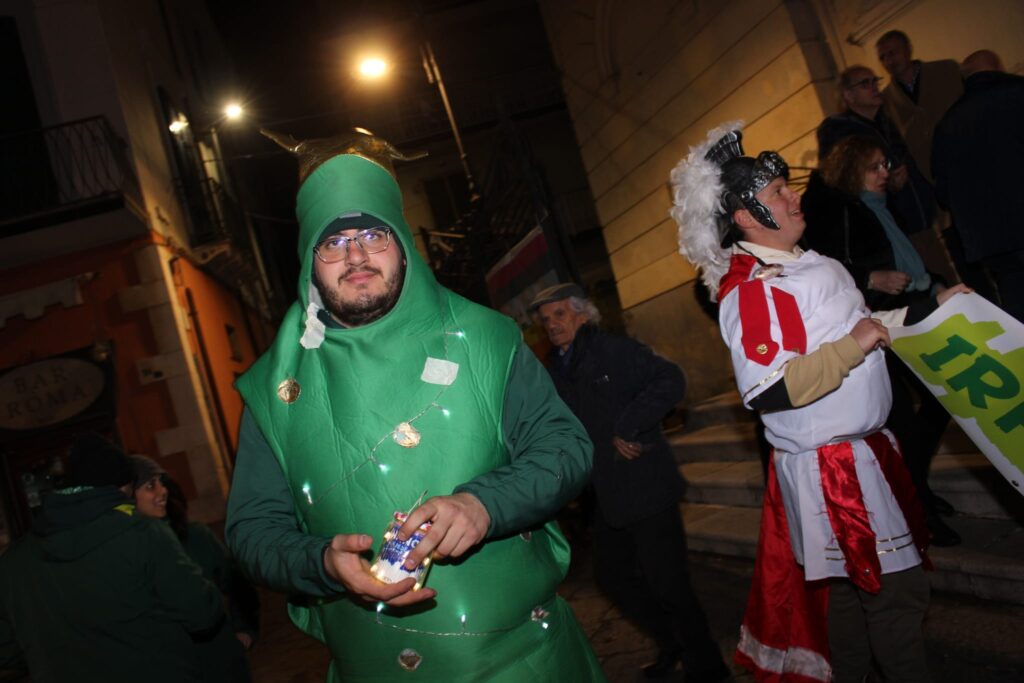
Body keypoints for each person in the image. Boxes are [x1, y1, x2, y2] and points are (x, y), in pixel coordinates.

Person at [225, 130, 603, 682]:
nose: (355, 255)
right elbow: (253, 529)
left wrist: (483, 505)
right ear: (311, 258)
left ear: (401, 241)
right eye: (333, 243)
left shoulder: (487, 339)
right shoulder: (271, 388)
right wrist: (321, 562)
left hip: (527, 662)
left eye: (372, 235)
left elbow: (565, 447)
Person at [670, 123, 971, 682]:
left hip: (865, 454)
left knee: (860, 600)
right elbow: (769, 387)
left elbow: (866, 326)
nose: (794, 197)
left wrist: (934, 310)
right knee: (894, 595)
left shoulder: (815, 264)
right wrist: (851, 347)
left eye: (789, 187)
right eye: (777, 194)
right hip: (834, 470)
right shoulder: (757, 291)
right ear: (744, 217)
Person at [530, 283, 729, 682]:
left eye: (560, 314)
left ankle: (709, 668)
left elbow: (670, 379)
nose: (552, 324)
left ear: (583, 315)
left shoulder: (613, 350)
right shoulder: (556, 370)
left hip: (647, 486)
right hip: (606, 496)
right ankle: (671, 641)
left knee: (669, 584)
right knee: (614, 578)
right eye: (546, 319)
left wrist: (630, 425)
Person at [802, 135, 960, 545]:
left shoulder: (880, 207)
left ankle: (917, 484)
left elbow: (905, 254)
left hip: (912, 309)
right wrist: (870, 278)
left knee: (941, 400)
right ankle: (919, 509)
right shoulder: (838, 211)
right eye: (873, 167)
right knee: (903, 420)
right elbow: (823, 271)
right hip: (876, 324)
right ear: (851, 169)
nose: (884, 173)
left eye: (885, 165)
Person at [0, 434, 223, 682]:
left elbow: (8, 652)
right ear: (124, 487)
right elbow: (201, 612)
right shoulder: (142, 533)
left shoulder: (13, 564)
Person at [130, 455, 260, 683]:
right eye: (151, 486)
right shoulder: (129, 554)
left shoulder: (195, 536)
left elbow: (237, 581)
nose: (162, 492)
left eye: (162, 482)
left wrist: (244, 629)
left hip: (222, 665)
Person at [932, 49, 1024, 322]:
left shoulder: (947, 124)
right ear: (999, 65)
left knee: (1016, 303)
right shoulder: (1019, 93)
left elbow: (943, 191)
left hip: (992, 243)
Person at [875, 29, 963, 185]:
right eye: (883, 57)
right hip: (932, 178)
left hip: (967, 156)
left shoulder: (947, 70)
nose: (889, 61)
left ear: (908, 49)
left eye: (892, 53)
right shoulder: (885, 100)